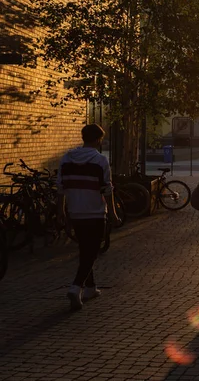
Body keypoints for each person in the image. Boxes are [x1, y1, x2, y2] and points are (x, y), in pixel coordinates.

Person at [57, 124, 119, 310]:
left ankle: (91, 288)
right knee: (92, 251)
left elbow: (60, 188)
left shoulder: (66, 159)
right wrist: (114, 213)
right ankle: (76, 287)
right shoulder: (100, 161)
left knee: (86, 249)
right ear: (99, 140)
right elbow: (106, 189)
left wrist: (61, 212)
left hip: (75, 210)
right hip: (95, 212)